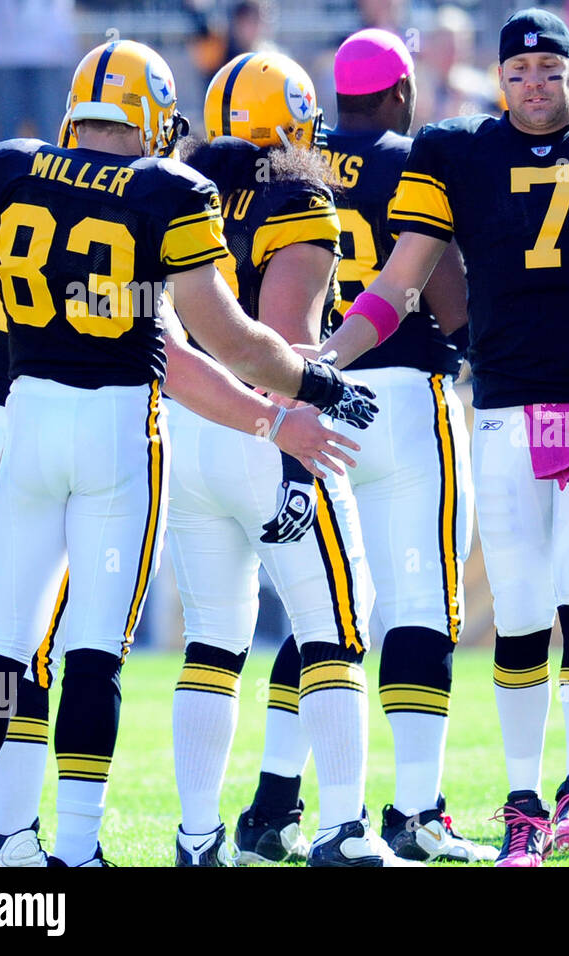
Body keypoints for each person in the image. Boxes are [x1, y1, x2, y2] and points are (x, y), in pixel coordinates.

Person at [0, 39, 376, 867]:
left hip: (0, 426)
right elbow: (221, 340)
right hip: (112, 437)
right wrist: (311, 392)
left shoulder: (4, 169)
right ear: (153, 118)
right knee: (86, 650)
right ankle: (71, 844)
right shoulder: (169, 192)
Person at [317, 8, 569, 866]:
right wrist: (328, 355)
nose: (534, 87)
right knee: (522, 608)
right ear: (500, 80)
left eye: (549, 71)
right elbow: (400, 279)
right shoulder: (455, 149)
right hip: (504, 406)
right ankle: (525, 799)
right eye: (518, 73)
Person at [234, 28, 493, 865]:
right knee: (418, 606)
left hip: (308, 399)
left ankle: (274, 806)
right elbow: (446, 295)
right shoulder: (413, 162)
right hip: (404, 399)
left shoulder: (293, 161)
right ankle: (415, 812)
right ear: (402, 92)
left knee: (323, 613)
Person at [165, 50, 412, 868]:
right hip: (267, 426)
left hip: (187, 424)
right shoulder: (298, 196)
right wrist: (300, 425)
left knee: (214, 642)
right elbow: (285, 337)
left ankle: (199, 837)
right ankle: (343, 826)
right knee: (338, 624)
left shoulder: (178, 187)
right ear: (298, 121)